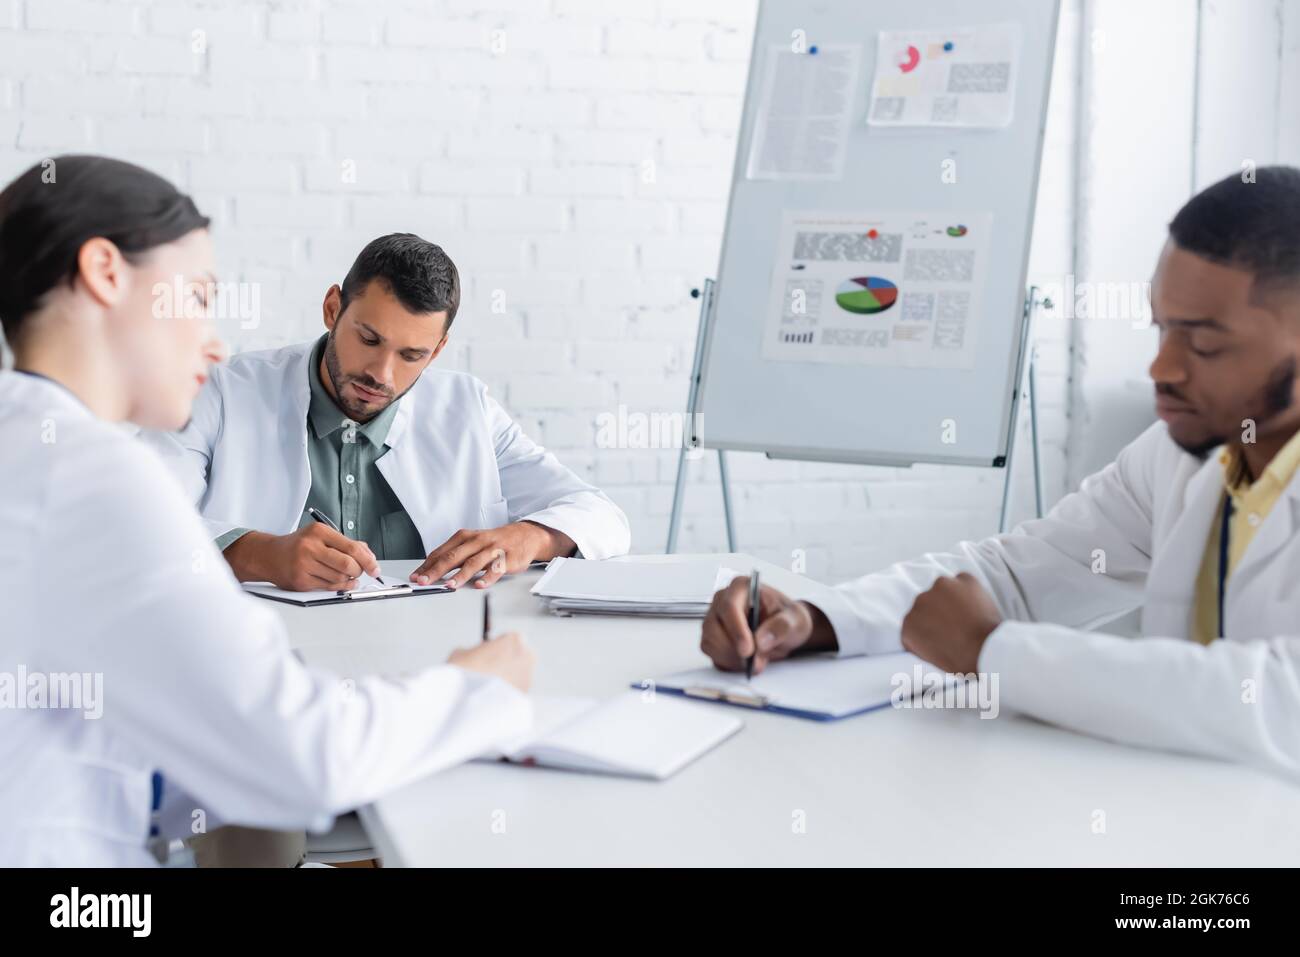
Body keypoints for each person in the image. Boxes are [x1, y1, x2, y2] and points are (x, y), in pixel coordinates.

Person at [0, 155, 534, 866]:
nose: (214, 339)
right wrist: (476, 688)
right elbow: (309, 754)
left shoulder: (29, 449)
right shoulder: (97, 479)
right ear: (104, 272)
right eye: (195, 296)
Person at [699, 166, 1300, 781]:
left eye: (1203, 345)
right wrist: (817, 620)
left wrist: (995, 653)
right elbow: (1014, 574)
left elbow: (1279, 700)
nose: (1161, 367)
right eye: (1161, 328)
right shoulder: (1183, 454)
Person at [139, 232, 629, 593]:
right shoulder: (220, 390)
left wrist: (532, 537)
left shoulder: (468, 408)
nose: (382, 374)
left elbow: (604, 518)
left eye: (412, 355)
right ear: (333, 309)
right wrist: (258, 554)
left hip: (426, 660)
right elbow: (136, 519)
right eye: (368, 339)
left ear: (436, 351)